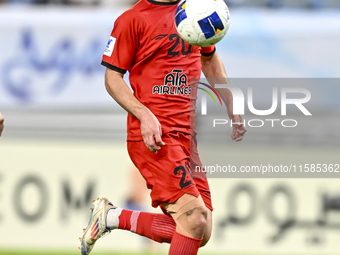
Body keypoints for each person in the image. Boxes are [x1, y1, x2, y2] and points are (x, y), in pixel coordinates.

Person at [79, 0, 246, 254]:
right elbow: (112, 78)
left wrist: (230, 99)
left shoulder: (195, 10)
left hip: (186, 136)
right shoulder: (133, 19)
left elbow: (210, 59)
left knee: (202, 230)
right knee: (194, 220)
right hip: (153, 137)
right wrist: (144, 114)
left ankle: (111, 217)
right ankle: (111, 217)